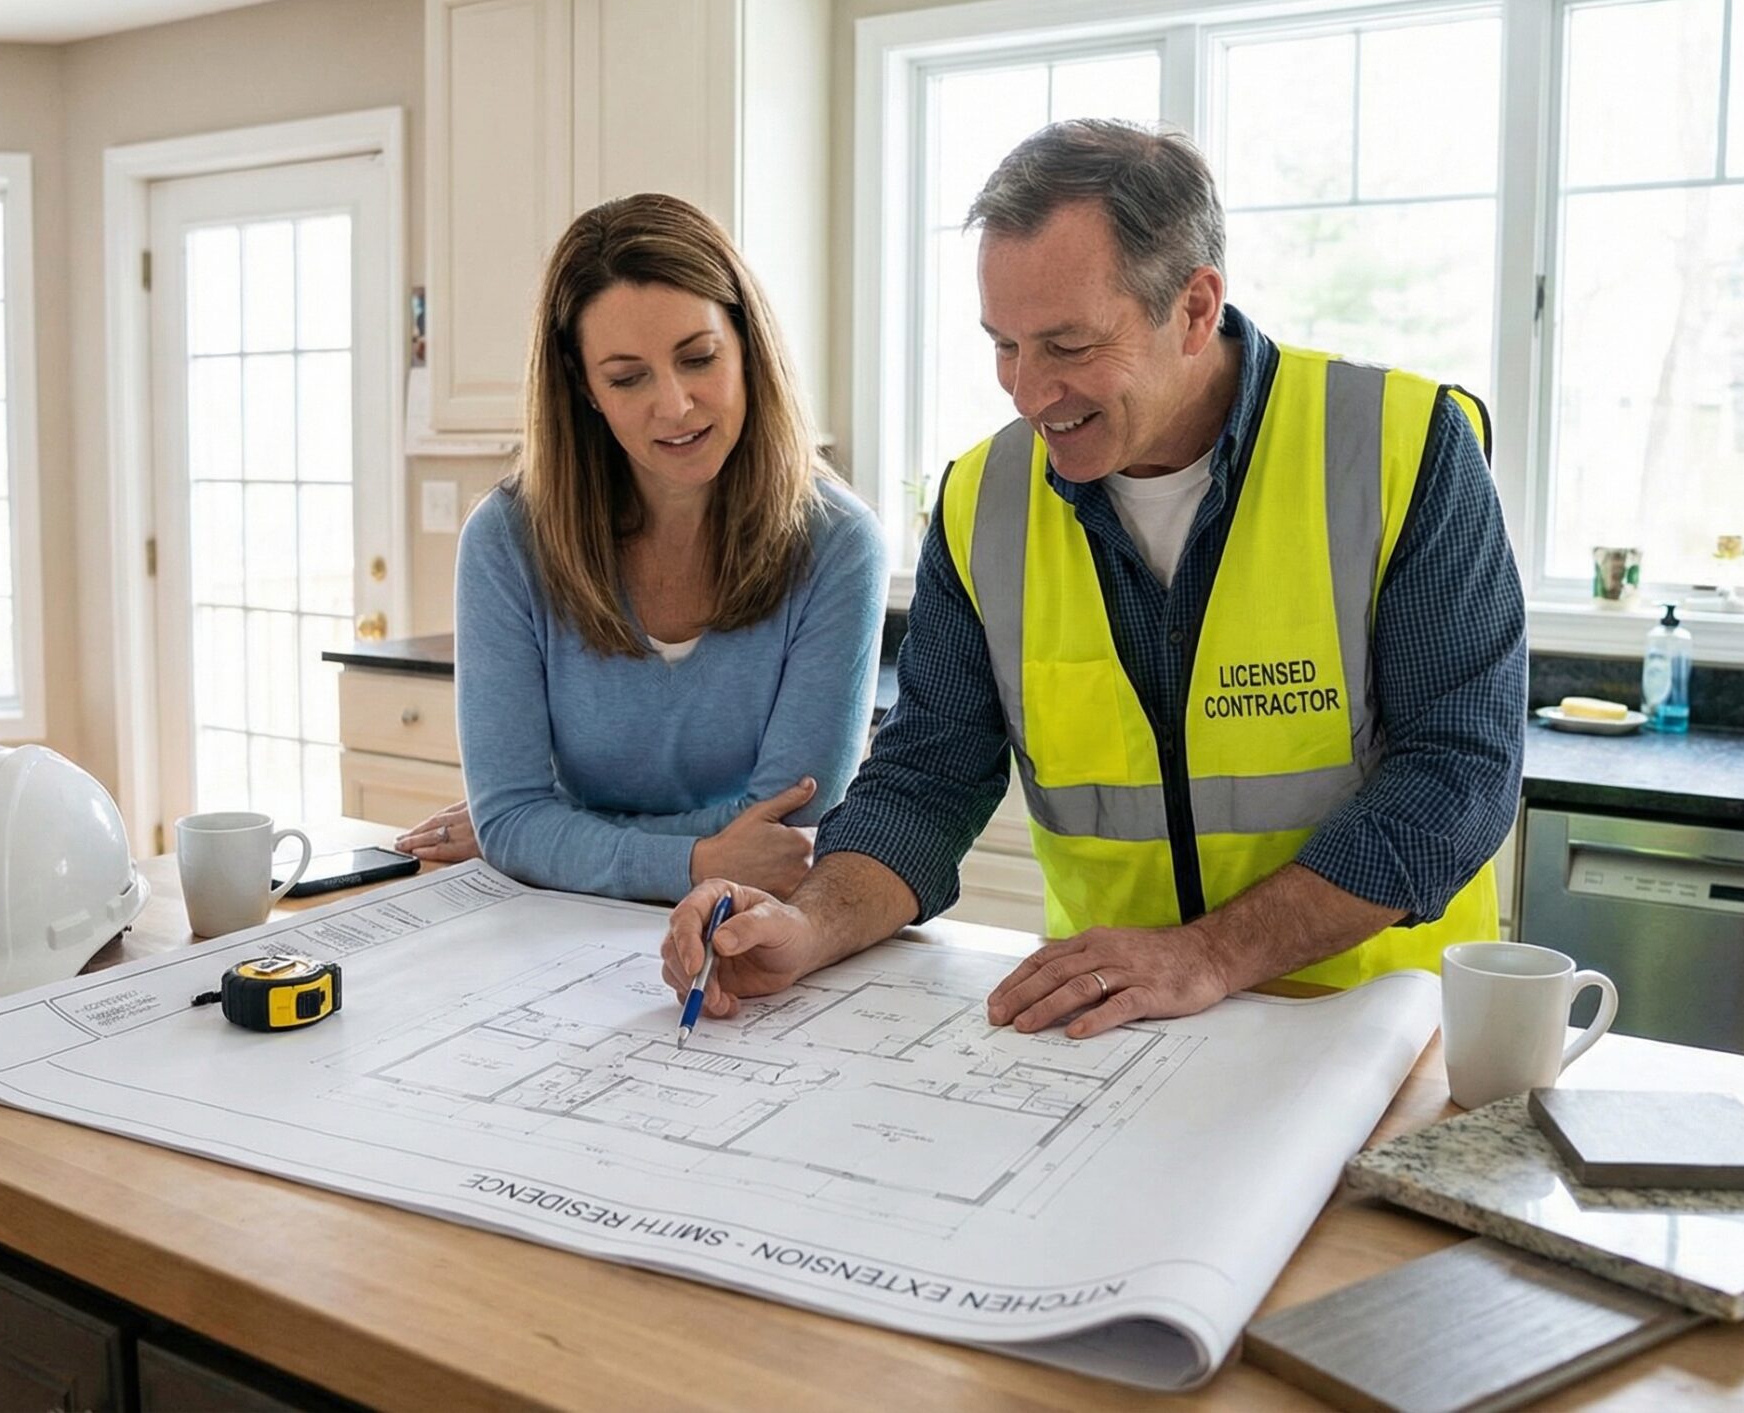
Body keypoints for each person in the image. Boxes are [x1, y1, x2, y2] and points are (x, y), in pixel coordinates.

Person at [661, 120, 1525, 1038]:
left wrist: (1211, 954)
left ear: (1194, 309)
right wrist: (806, 924)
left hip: (1376, 1030)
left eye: (1068, 346)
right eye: (1004, 345)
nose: (1028, 393)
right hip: (1112, 1032)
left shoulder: (1401, 449)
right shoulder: (981, 502)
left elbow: (1457, 774)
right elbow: (928, 778)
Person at [395, 192, 887, 903]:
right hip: (555, 932)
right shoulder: (507, 540)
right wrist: (691, 859)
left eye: (699, 358)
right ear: (584, 388)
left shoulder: (840, 544)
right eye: (628, 377)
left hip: (748, 927)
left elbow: (788, 823)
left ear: (747, 345)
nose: (676, 405)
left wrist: (554, 834)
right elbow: (513, 821)